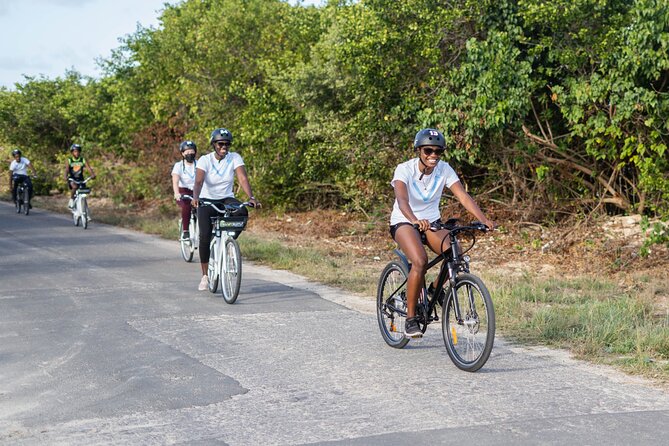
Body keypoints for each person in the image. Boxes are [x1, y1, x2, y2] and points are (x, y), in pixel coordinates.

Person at [389, 128, 494, 338]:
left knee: (455, 254)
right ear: (419, 150)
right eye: (428, 151)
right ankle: (411, 319)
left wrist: (483, 219)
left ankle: (432, 291)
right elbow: (402, 200)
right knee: (419, 260)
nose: (433, 156)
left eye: (438, 152)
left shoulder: (444, 170)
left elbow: (463, 196)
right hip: (404, 221)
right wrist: (414, 220)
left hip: (432, 223)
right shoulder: (404, 169)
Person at [192, 128, 260, 291]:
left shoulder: (234, 157)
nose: (224, 147)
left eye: (227, 144)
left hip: (226, 199)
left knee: (242, 212)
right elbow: (199, 182)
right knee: (204, 237)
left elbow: (242, 178)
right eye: (221, 144)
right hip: (207, 200)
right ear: (214, 144)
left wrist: (251, 197)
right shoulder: (204, 160)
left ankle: (229, 241)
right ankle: (205, 276)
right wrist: (196, 197)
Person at [171, 140, 198, 241]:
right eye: (187, 152)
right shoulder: (178, 166)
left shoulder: (199, 164)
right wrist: (176, 193)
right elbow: (175, 181)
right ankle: (185, 231)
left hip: (196, 191)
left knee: (203, 208)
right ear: (182, 153)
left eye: (192, 151)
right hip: (183, 192)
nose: (190, 154)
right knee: (186, 206)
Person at [64, 144, 96, 208]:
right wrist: (65, 176)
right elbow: (67, 170)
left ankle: (84, 208)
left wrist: (92, 174)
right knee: (75, 187)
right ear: (72, 152)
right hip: (72, 179)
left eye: (78, 151)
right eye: (75, 151)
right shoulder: (69, 160)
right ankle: (72, 199)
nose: (77, 153)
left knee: (83, 192)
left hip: (81, 179)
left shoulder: (83, 159)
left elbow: (88, 168)